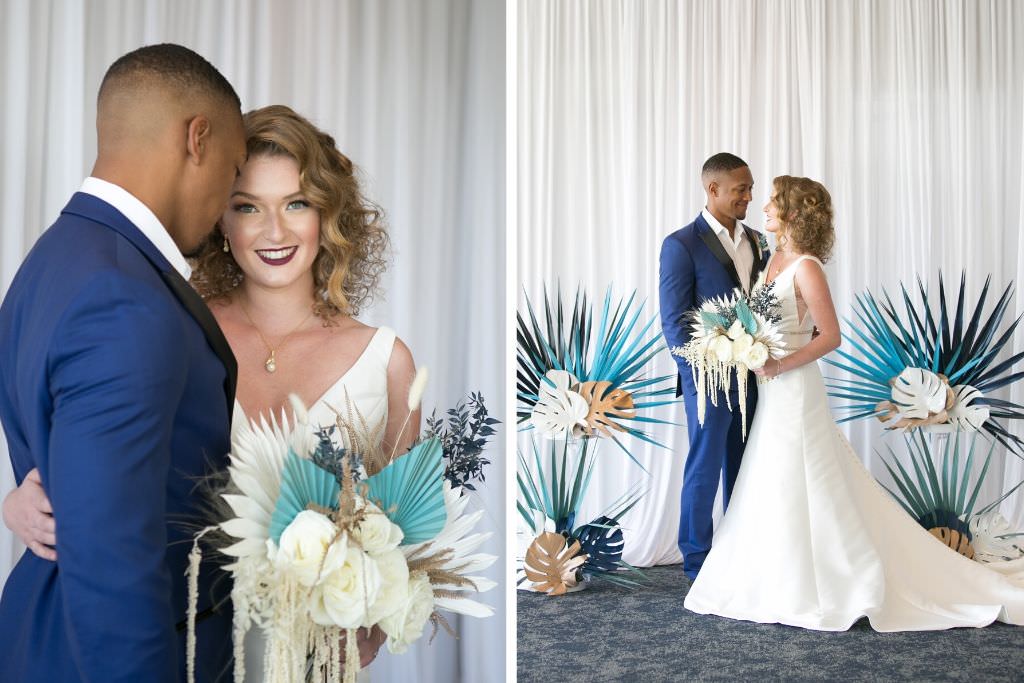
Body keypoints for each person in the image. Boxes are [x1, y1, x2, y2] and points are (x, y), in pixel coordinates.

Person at [5, 104, 417, 671]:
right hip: (186, 646)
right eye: (248, 207)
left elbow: (411, 535)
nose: (274, 231)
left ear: (328, 214)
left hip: (312, 658)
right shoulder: (169, 328)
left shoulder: (387, 363)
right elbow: (105, 470)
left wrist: (375, 610)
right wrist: (20, 501)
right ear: (222, 218)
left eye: (296, 203)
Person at [0, 44, 247, 681]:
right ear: (199, 138)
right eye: (234, 168)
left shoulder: (52, 259)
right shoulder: (124, 298)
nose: (227, 200)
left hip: (44, 631)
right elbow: (111, 560)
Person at [684, 175, 1024, 630]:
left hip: (795, 387)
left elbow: (832, 336)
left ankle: (829, 579)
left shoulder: (805, 265)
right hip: (770, 391)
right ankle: (774, 573)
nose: (762, 206)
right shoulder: (771, 260)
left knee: (800, 475)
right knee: (771, 476)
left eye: (771, 201)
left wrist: (780, 366)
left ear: (792, 212)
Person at [659, 152, 770, 580]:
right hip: (708, 377)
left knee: (746, 465)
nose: (749, 196)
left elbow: (762, 305)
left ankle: (740, 550)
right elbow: (674, 320)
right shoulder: (681, 244)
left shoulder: (759, 241)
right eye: (741, 188)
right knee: (704, 466)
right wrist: (698, 374)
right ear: (713, 189)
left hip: (756, 372)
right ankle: (697, 561)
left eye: (750, 188)